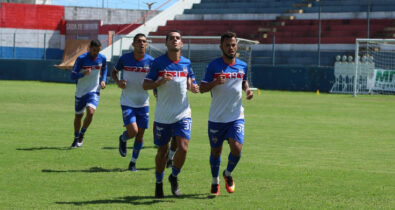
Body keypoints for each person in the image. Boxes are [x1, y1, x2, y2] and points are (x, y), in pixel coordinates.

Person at [143, 30, 199, 198]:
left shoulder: (186, 63)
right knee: (162, 151)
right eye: (171, 39)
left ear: (181, 43)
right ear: (166, 43)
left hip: (183, 113)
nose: (175, 40)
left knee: (183, 147)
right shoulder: (158, 63)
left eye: (178, 38)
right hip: (163, 116)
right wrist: (160, 82)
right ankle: (158, 182)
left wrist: (193, 87)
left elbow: (191, 81)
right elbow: (146, 85)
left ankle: (173, 176)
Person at [200, 31, 253, 196]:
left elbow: (243, 80)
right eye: (227, 45)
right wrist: (216, 82)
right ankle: (215, 181)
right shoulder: (213, 66)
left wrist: (247, 90)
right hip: (217, 117)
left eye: (233, 45)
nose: (231, 48)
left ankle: (228, 174)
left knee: (236, 149)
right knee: (216, 152)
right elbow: (202, 88)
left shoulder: (242, 65)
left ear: (237, 46)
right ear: (221, 47)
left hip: (236, 116)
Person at [111, 33, 154, 171]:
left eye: (144, 41)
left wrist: (156, 89)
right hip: (127, 101)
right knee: (133, 131)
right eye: (139, 41)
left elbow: (155, 79)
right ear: (133, 44)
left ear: (147, 44)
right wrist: (118, 82)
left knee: (140, 134)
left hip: (143, 102)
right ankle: (123, 139)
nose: (142, 43)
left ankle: (133, 163)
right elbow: (113, 72)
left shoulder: (151, 61)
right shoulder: (125, 58)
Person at [70, 39, 107, 148]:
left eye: (98, 50)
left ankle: (82, 134)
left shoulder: (102, 58)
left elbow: (104, 69)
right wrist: (83, 74)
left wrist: (103, 80)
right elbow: (72, 76)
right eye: (94, 50)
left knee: (90, 112)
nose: (96, 52)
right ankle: (76, 137)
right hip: (81, 91)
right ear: (89, 48)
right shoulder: (81, 59)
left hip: (94, 90)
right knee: (78, 116)